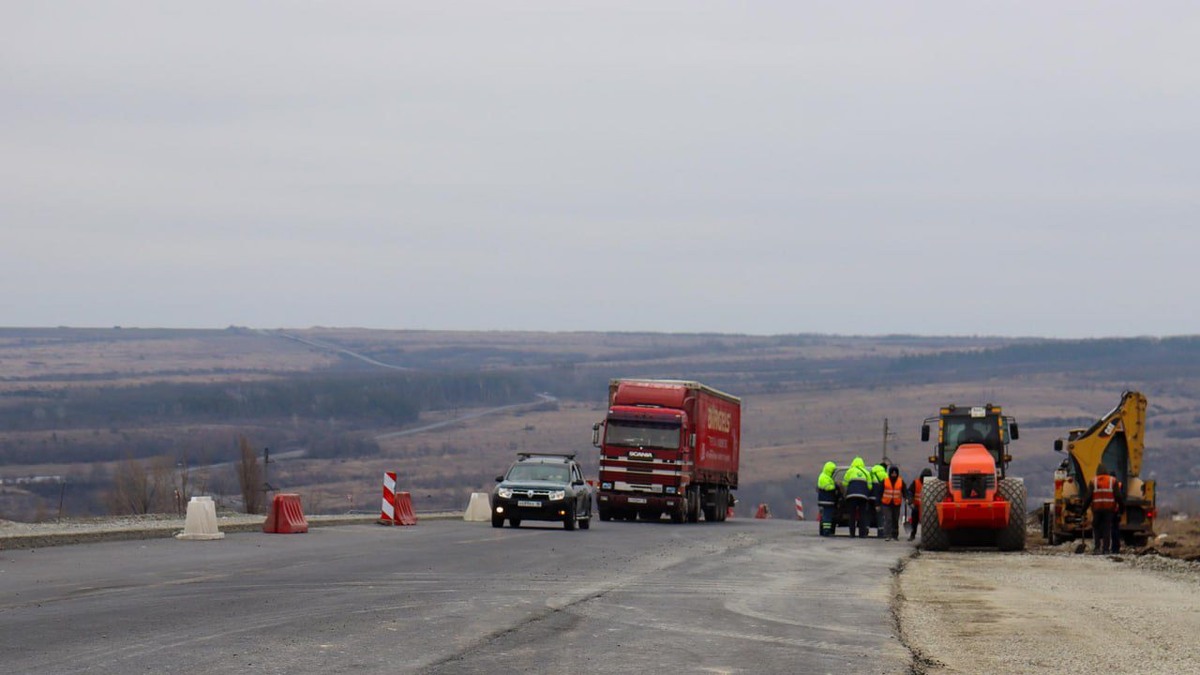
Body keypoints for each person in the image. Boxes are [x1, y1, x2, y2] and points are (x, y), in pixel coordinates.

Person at [1081, 465, 1124, 554]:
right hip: (1109, 509)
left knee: (1096, 527)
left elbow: (1088, 497)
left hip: (1097, 509)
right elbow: (1118, 496)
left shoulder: (1094, 481)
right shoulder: (1112, 481)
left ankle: (1097, 548)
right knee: (1106, 528)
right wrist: (1121, 509)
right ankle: (1106, 549)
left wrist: (1083, 510)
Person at [842, 457, 871, 538]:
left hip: (851, 496)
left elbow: (844, 483)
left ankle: (852, 533)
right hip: (863, 497)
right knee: (862, 515)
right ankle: (862, 534)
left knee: (852, 515)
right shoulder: (866, 472)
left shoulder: (850, 471)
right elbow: (870, 486)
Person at [907, 468, 933, 541]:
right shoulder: (915, 483)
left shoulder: (931, 484)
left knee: (927, 523)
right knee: (914, 522)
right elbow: (910, 493)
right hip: (916, 507)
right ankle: (912, 535)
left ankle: (926, 536)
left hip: (927, 508)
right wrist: (910, 502)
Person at [881, 465, 904, 540]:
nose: (894, 474)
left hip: (896, 503)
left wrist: (908, 498)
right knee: (888, 519)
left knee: (895, 519)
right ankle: (888, 535)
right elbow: (879, 492)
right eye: (892, 473)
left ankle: (895, 535)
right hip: (886, 503)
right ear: (890, 473)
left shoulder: (900, 481)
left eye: (895, 473)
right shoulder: (885, 481)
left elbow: (905, 491)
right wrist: (877, 503)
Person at [817, 461, 839, 537]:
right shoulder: (824, 477)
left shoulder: (824, 476)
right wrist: (835, 486)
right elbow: (829, 487)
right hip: (827, 500)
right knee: (827, 517)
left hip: (825, 500)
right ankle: (826, 531)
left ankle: (825, 531)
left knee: (826, 516)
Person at [870, 463, 888, 537]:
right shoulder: (885, 475)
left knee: (868, 514)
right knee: (880, 515)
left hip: (870, 497)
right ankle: (880, 532)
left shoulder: (871, 473)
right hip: (880, 498)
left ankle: (865, 530)